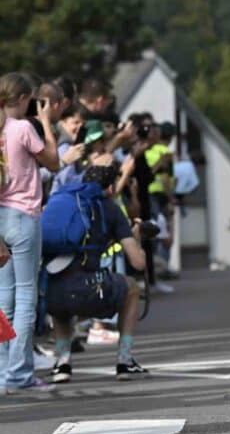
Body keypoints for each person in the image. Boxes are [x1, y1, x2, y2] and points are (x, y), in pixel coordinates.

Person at [46, 164, 148, 383]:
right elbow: (138, 263)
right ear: (110, 188)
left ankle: (62, 363)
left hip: (54, 294)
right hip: (91, 289)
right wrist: (136, 236)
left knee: (61, 289)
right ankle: (125, 359)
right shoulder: (110, 208)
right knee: (131, 287)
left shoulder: (66, 202)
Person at [0, 72, 59, 393]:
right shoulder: (22, 128)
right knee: (25, 297)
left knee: (3, 300)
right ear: (23, 99)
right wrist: (46, 121)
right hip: (23, 217)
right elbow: (53, 162)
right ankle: (20, 373)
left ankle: (2, 371)